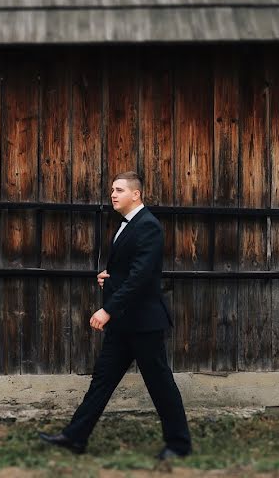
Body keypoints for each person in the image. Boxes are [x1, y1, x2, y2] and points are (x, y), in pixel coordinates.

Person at [38, 171, 192, 460]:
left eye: (119, 189)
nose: (113, 194)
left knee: (160, 385)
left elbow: (142, 278)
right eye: (112, 189)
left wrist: (107, 308)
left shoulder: (149, 226)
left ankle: (179, 445)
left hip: (143, 323)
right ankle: (75, 437)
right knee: (102, 381)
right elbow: (129, 272)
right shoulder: (128, 225)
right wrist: (109, 279)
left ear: (136, 194)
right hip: (124, 323)